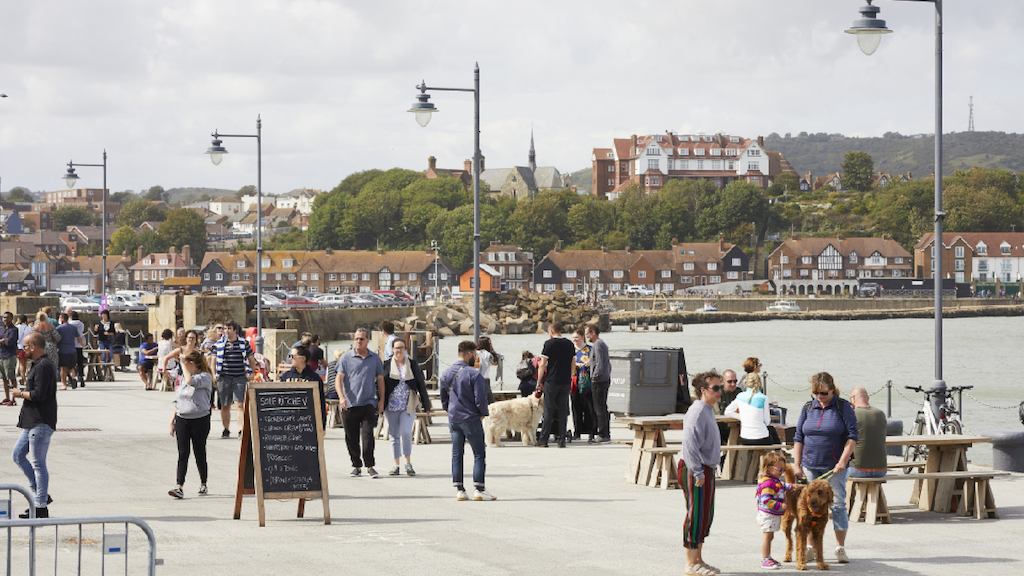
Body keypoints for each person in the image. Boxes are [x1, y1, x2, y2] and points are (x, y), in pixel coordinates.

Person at [792, 372, 857, 565]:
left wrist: (843, 461)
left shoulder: (843, 407)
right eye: (816, 393)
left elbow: (852, 436)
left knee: (837, 505)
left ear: (832, 390)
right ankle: (811, 548)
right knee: (810, 506)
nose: (820, 397)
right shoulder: (807, 407)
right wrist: (796, 464)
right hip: (810, 465)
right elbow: (798, 437)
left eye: (823, 393)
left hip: (835, 466)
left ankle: (840, 547)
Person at [678, 370, 723, 576]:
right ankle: (690, 563)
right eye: (716, 388)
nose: (720, 391)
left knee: (705, 515)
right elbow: (689, 444)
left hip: (707, 467)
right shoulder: (696, 411)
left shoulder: (708, 409)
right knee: (695, 514)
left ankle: (698, 559)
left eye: (720, 387)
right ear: (703, 390)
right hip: (694, 467)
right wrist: (697, 472)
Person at [440, 340, 494, 501]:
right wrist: (482, 413)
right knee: (479, 453)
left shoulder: (446, 373)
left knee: (457, 453)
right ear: (469, 353)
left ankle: (460, 489)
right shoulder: (474, 374)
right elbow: (480, 398)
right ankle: (479, 488)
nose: (476, 358)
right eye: (475, 355)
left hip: (454, 417)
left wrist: (448, 409)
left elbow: (443, 396)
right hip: (470, 417)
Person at [11, 332, 58, 518]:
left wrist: (19, 394)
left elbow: (39, 395)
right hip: (32, 420)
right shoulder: (37, 365)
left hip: (41, 421)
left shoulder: (44, 366)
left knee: (38, 463)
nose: (23, 350)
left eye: (26, 346)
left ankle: (40, 506)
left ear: (34, 346)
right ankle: (42, 495)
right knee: (17, 455)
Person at [334, 327, 385, 478]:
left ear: (367, 341)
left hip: (369, 403)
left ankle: (370, 465)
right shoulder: (346, 358)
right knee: (351, 438)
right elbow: (339, 379)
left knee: (368, 437)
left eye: (361, 339)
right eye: (356, 338)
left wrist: (381, 400)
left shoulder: (375, 358)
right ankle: (356, 465)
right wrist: (341, 397)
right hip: (349, 404)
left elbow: (380, 380)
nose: (358, 341)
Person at [382, 338, 431, 476]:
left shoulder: (413, 364)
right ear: (392, 349)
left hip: (407, 405)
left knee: (406, 432)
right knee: (394, 436)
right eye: (396, 348)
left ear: (405, 349)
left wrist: (426, 405)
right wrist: (379, 404)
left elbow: (421, 384)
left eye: (401, 347)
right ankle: (396, 465)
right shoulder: (385, 365)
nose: (399, 350)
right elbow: (379, 385)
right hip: (390, 406)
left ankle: (408, 463)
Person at [168, 350, 213, 499]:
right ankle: (179, 486)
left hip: (200, 419)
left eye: (187, 364)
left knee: (199, 452)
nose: (184, 367)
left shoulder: (205, 377)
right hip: (183, 418)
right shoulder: (184, 378)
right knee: (183, 453)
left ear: (193, 364)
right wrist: (172, 420)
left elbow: (190, 382)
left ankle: (203, 482)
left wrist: (183, 362)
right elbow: (178, 399)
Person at [535, 321, 575, 448]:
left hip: (552, 381)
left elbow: (542, 364)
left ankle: (543, 440)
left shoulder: (549, 344)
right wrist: (571, 376)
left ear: (551, 331)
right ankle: (561, 439)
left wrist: (539, 381)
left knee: (549, 411)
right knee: (563, 411)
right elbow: (573, 363)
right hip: (565, 381)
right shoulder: (569, 344)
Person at [214, 321, 257, 438]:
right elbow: (213, 359)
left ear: (235, 330)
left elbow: (251, 358)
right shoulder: (219, 344)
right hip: (224, 377)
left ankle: (240, 429)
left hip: (240, 377)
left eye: (229, 328)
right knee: (225, 405)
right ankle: (226, 429)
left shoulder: (243, 343)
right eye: (225, 328)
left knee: (240, 404)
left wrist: (252, 372)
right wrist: (214, 374)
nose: (226, 330)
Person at [755, 451, 792, 570]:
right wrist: (781, 506)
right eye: (779, 469)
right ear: (769, 469)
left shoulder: (775, 480)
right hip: (768, 515)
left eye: (783, 469)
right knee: (767, 536)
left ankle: (768, 557)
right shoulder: (768, 483)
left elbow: (782, 485)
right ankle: (765, 559)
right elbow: (766, 500)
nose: (782, 472)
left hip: (771, 515)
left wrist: (793, 487)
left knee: (770, 536)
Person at [722, 369, 780, 445]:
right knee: (771, 432)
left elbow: (728, 412)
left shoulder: (739, 395)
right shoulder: (763, 398)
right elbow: (767, 421)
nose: (733, 384)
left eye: (735, 381)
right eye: (730, 381)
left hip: (744, 437)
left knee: (770, 431)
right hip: (724, 428)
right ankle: (779, 452)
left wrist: (743, 417)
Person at [279, 345, 326, 427]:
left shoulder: (314, 378)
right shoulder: (285, 377)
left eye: (292, 356)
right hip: (289, 422)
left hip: (308, 423)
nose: (290, 359)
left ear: (303, 358)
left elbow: (321, 403)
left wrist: (322, 425)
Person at [848, 387, 887, 479]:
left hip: (857, 470)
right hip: (881, 470)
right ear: (868, 398)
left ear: (853, 398)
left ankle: (851, 493)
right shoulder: (880, 414)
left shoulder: (852, 414)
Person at [585, 323, 611, 443]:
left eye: (587, 334)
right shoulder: (599, 344)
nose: (586, 337)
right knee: (602, 407)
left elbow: (600, 363)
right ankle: (605, 433)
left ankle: (603, 434)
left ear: (593, 333)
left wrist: (594, 376)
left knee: (599, 408)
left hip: (599, 381)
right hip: (603, 379)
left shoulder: (598, 345)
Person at [570, 327, 595, 441]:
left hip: (586, 382)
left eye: (577, 337)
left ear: (582, 337)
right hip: (574, 382)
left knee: (589, 407)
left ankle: (591, 431)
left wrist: (585, 364)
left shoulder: (590, 349)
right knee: (576, 407)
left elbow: (594, 362)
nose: (575, 340)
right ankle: (577, 431)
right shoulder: (570, 350)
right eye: (573, 337)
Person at [55, 314, 80, 390]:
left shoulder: (59, 328)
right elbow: (79, 338)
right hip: (72, 350)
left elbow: (56, 339)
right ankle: (73, 378)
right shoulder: (73, 328)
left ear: (62, 319)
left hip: (63, 350)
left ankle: (64, 384)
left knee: (63, 368)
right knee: (72, 367)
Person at [0, 312, 19, 405]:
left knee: (11, 377)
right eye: (4, 317)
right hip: (1, 355)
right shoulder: (1, 328)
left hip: (9, 356)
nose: (5, 319)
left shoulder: (14, 329)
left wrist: (3, 340)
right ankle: (7, 397)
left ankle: (13, 398)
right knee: (4, 378)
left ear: (11, 318)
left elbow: (10, 341)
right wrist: (3, 340)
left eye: (7, 317)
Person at [68, 311, 87, 388]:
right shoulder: (81, 324)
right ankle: (81, 377)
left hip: (72, 344)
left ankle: (73, 378)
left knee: (71, 363)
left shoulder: (70, 324)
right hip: (79, 345)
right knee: (80, 362)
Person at [16, 314, 31, 386]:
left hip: (19, 347)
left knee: (21, 364)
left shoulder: (17, 327)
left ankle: (23, 378)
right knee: (25, 364)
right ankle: (24, 378)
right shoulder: (29, 328)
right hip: (27, 348)